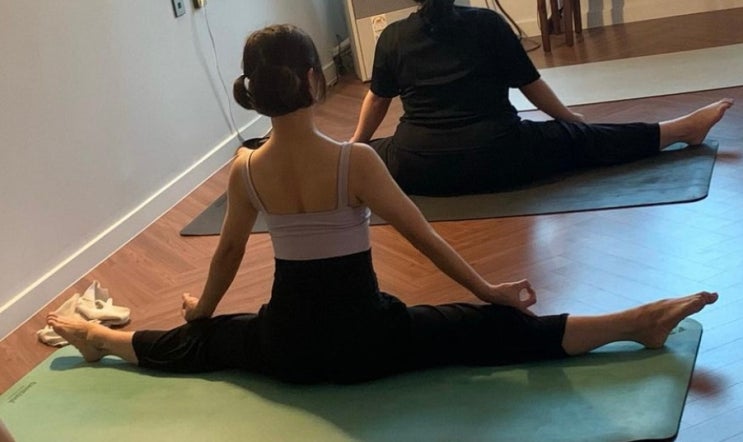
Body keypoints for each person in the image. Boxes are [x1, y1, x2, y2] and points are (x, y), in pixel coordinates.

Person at [48, 24, 718, 385]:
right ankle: (633, 321)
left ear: (252, 91)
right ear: (314, 80)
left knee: (208, 342)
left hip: (288, 348)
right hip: (370, 342)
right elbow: (425, 238)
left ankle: (100, 340)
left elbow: (226, 256)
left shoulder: (246, 168)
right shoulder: (356, 161)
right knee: (482, 328)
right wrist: (488, 291)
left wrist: (203, 310)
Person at [350, 0, 734, 196]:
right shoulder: (488, 24)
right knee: (584, 140)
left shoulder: (393, 36)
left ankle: (681, 129)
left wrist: (354, 147)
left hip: (419, 167)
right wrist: (571, 121)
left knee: (372, 154)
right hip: (500, 156)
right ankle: (681, 129)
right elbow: (530, 85)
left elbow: (377, 99)